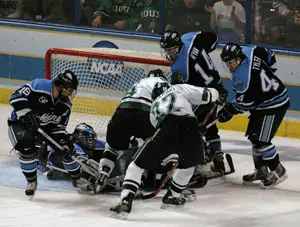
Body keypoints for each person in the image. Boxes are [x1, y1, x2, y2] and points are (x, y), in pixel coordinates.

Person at [110, 79, 219, 219]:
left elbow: (157, 128)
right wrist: (216, 94)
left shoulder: (154, 105)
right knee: (188, 166)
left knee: (136, 165)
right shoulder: (178, 88)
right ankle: (172, 196)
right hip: (189, 126)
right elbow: (206, 95)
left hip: (166, 129)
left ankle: (125, 201)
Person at [219, 43, 289, 188]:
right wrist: (268, 69)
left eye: (231, 62)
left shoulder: (241, 77)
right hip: (263, 102)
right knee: (254, 136)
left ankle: (278, 170)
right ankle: (261, 170)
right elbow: (269, 54)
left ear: (239, 59)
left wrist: (229, 111)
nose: (229, 65)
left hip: (273, 105)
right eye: (227, 62)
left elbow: (245, 103)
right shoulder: (249, 51)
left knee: (262, 141)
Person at [159, 30, 228, 174]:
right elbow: (213, 38)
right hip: (217, 87)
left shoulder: (180, 67)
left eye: (172, 50)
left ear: (178, 45)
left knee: (188, 126)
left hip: (204, 94)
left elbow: (183, 90)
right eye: (167, 50)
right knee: (209, 126)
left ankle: (195, 161)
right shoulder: (191, 38)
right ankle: (218, 159)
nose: (170, 54)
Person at [7, 69, 84, 197]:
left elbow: (59, 127)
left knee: (68, 148)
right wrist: (27, 114)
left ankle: (77, 178)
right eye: (69, 90)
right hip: (21, 123)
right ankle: (31, 181)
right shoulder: (39, 86)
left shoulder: (65, 106)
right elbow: (15, 97)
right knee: (26, 146)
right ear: (60, 86)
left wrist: (63, 141)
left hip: (45, 130)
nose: (70, 94)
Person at [96, 69, 169, 191]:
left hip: (121, 113)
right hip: (145, 114)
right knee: (154, 145)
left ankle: (104, 172)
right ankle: (151, 179)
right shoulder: (162, 82)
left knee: (113, 146)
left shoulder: (138, 83)